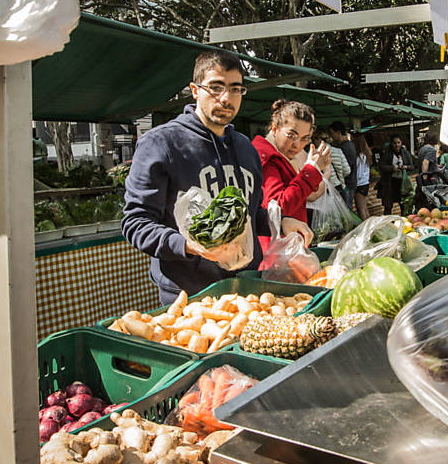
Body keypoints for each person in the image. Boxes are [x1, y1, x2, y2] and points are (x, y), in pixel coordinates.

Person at [122, 50, 311, 305]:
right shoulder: (160, 144)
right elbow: (136, 222)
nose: (226, 98)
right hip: (190, 298)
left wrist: (279, 222)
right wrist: (187, 245)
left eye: (235, 89)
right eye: (215, 87)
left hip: (247, 288)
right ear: (195, 89)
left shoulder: (246, 149)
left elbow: (251, 214)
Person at [252, 100, 332, 241]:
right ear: (275, 129)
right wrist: (311, 171)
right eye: (291, 135)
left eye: (304, 139)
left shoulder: (282, 155)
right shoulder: (266, 157)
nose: (297, 145)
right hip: (273, 249)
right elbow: (278, 209)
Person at [379, 134, 413, 215]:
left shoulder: (405, 153)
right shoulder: (387, 153)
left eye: (398, 142)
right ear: (391, 143)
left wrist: (406, 167)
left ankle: (404, 221)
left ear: (401, 143)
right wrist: (392, 168)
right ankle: (388, 223)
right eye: (394, 143)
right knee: (388, 206)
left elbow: (412, 166)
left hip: (402, 183)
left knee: (403, 205)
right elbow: (381, 166)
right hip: (390, 183)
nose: (397, 145)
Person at [328, 121, 358, 208]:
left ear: (338, 133)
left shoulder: (343, 148)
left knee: (345, 211)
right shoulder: (350, 144)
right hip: (352, 182)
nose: (331, 136)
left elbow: (345, 169)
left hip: (347, 184)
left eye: (332, 133)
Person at [352, 133, 372, 220]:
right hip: (365, 183)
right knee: (365, 209)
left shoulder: (360, 156)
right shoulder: (366, 154)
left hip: (360, 184)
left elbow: (359, 174)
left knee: (361, 210)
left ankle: (366, 229)